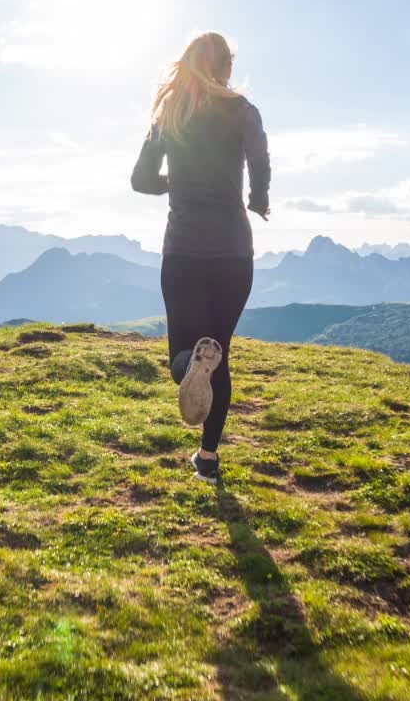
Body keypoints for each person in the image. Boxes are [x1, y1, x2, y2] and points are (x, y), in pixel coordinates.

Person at [131, 31, 270, 485]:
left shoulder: (169, 113)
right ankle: (207, 458)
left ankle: (192, 360)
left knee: (184, 355)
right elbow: (259, 158)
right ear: (227, 67)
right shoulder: (243, 111)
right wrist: (259, 198)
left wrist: (179, 182)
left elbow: (140, 181)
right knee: (220, 356)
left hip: (185, 251)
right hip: (234, 252)